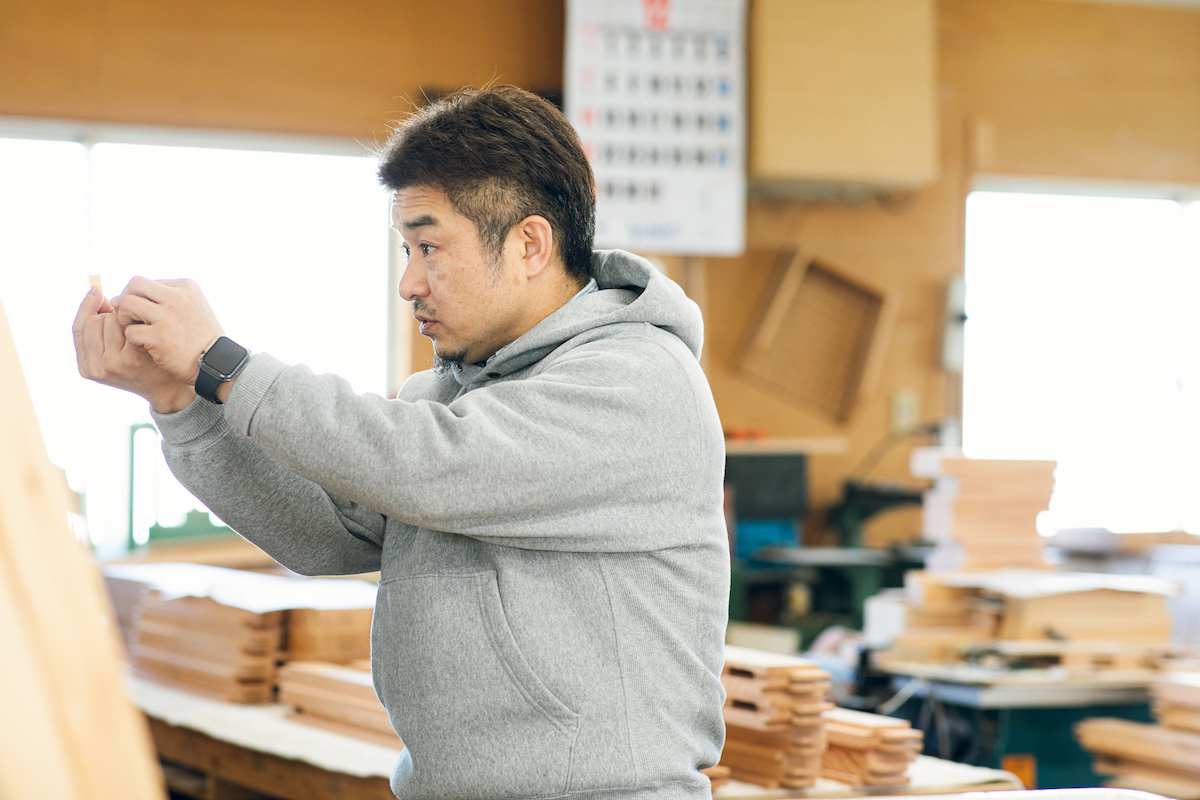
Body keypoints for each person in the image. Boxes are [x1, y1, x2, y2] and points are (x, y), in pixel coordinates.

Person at [74, 85, 729, 800]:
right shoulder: (446, 393)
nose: (409, 282)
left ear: (530, 245)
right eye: (405, 250)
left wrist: (223, 365)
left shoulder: (637, 379)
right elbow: (323, 535)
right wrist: (179, 402)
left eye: (429, 247)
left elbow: (436, 464)